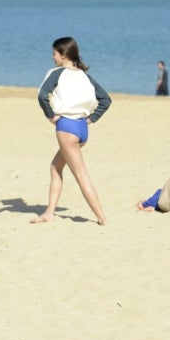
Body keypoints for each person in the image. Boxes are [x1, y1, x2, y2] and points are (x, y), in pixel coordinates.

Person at [31, 36, 111, 226]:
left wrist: (50, 115)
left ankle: (101, 217)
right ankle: (49, 213)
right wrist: (91, 118)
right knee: (55, 167)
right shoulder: (85, 76)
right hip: (82, 129)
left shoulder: (57, 73)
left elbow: (42, 95)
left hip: (67, 128)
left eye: (54, 53)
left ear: (63, 54)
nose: (52, 57)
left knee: (81, 174)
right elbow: (105, 100)